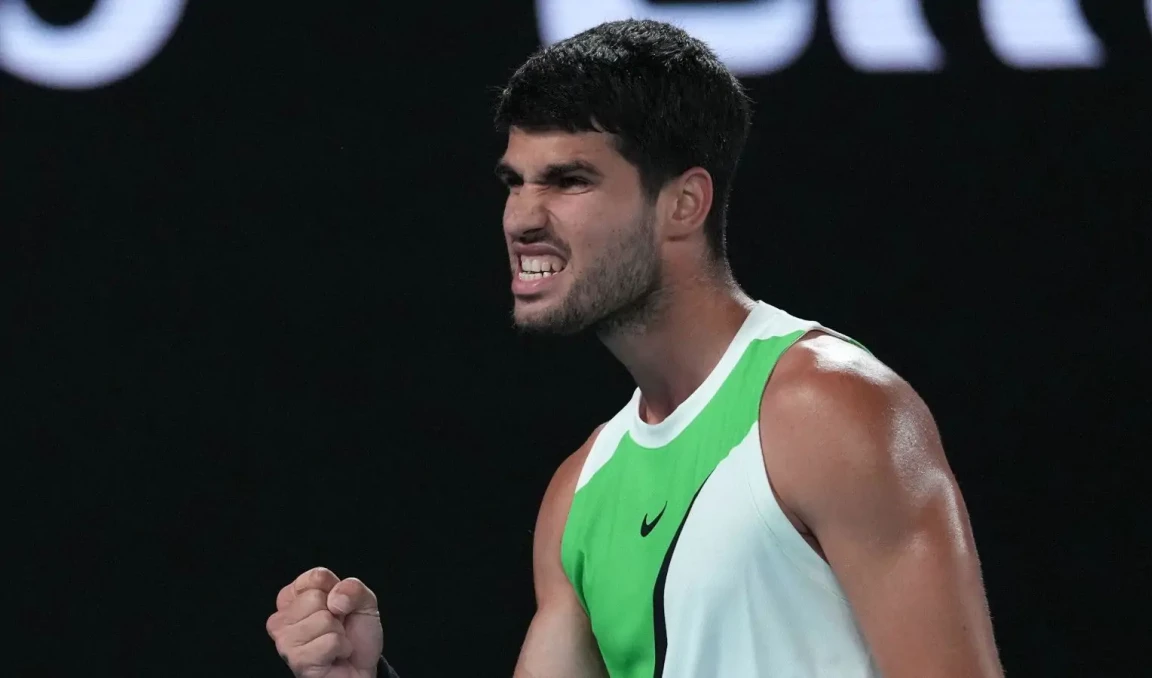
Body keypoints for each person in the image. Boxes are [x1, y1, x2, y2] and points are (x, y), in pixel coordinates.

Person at [266, 19, 1005, 678]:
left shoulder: (830, 408)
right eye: (514, 183)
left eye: (568, 181)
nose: (522, 217)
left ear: (683, 204)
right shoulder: (578, 493)